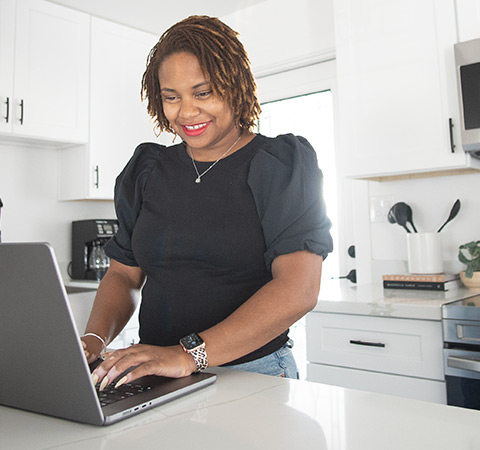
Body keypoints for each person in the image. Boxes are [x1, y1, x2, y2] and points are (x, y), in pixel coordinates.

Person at [81, 15, 333, 391]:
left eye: (204, 93)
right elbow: (123, 274)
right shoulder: (148, 170)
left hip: (252, 373)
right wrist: (94, 340)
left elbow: (299, 289)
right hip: (156, 372)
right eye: (172, 97)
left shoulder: (279, 164)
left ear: (236, 88)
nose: (186, 112)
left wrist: (188, 355)